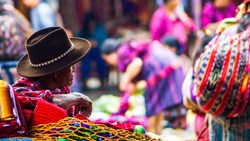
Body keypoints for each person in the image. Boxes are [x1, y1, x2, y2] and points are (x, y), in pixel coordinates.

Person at [191, 0, 250, 140]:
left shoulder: (225, 34)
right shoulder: (211, 13)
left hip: (221, 126)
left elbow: (201, 84)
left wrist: (209, 109)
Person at [101, 38, 184, 135]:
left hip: (158, 65)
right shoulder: (125, 49)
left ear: (111, 53)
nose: (108, 63)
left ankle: (151, 135)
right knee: (158, 104)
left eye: (107, 59)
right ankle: (157, 134)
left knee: (152, 105)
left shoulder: (121, 52)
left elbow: (137, 63)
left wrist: (125, 80)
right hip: (166, 62)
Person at [12, 27, 92, 126]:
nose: (74, 69)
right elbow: (21, 99)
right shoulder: (21, 92)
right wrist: (70, 98)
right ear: (56, 71)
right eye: (70, 65)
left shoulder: (60, 88)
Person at [77, 11, 108, 90]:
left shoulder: (99, 29)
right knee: (85, 61)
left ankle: (102, 82)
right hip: (87, 52)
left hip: (98, 51)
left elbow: (103, 40)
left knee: (101, 60)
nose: (91, 24)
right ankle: (85, 83)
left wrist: (96, 43)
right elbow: (79, 40)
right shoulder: (83, 31)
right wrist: (88, 42)